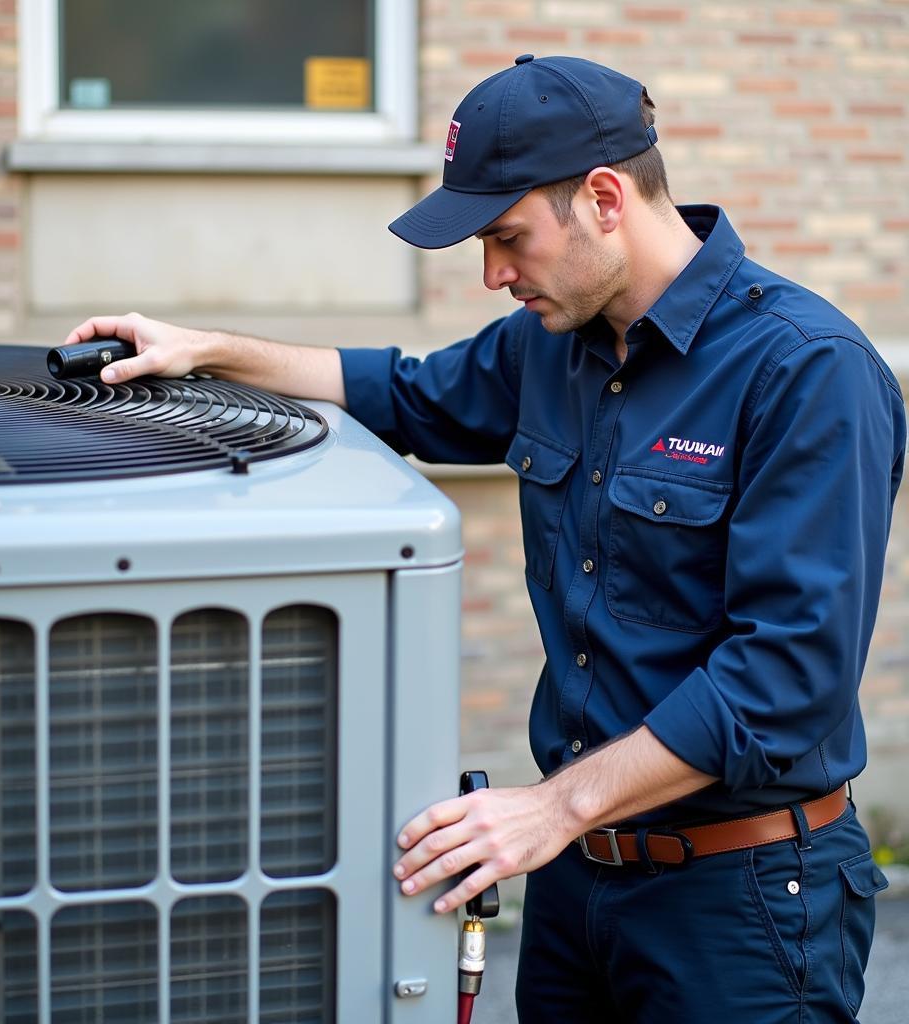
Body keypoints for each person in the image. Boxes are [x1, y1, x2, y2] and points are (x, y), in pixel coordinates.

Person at [65, 55, 906, 1022]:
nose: (493, 274)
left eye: (508, 238)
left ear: (602, 198)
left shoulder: (808, 373)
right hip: (575, 887)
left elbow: (786, 682)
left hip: (744, 903)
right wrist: (209, 351)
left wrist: (549, 809)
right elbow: (403, 392)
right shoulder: (548, 345)